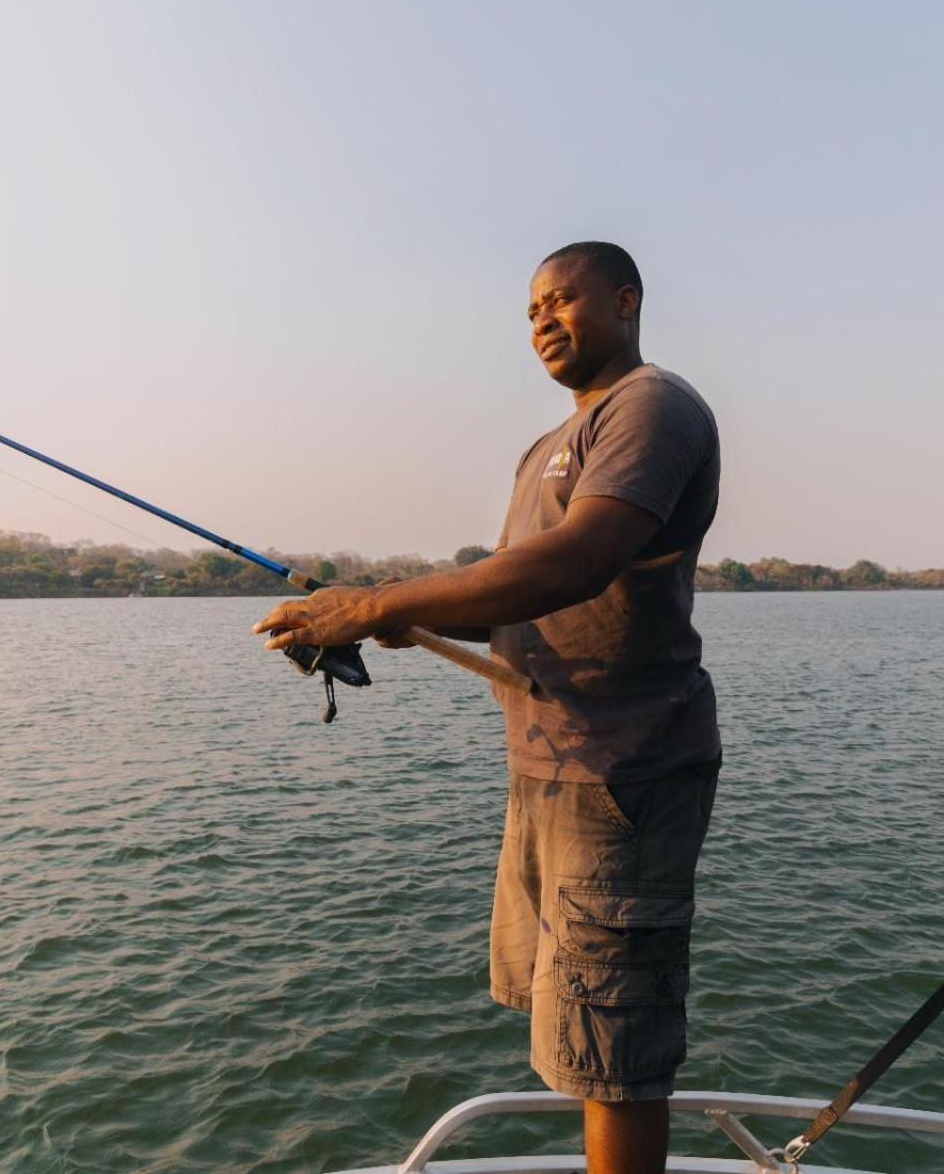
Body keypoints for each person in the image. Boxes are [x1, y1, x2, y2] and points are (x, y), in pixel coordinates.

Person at [253, 241, 720, 1174]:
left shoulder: (651, 406)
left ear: (624, 301)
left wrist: (377, 604)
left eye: (563, 299)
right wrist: (406, 616)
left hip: (624, 767)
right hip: (548, 762)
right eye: (531, 310)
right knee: (581, 1021)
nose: (544, 320)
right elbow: (518, 591)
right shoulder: (545, 445)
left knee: (617, 1044)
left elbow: (577, 560)